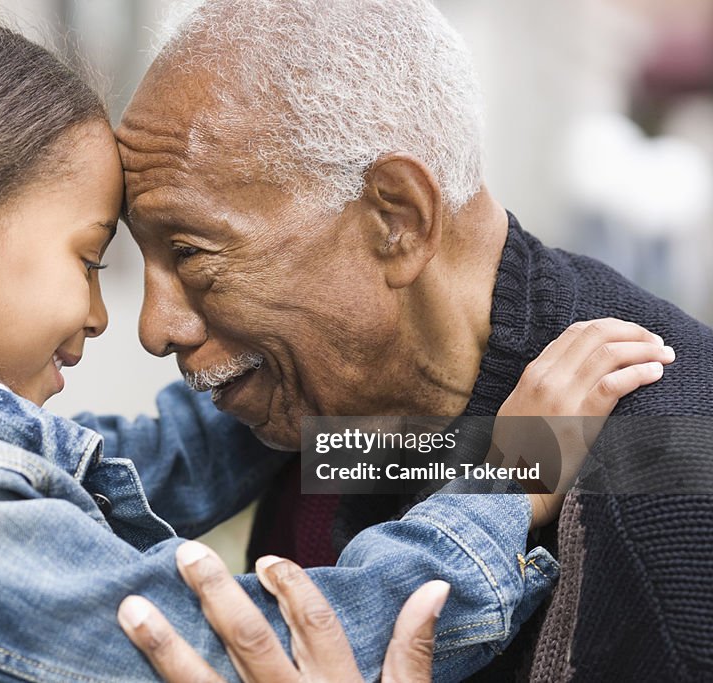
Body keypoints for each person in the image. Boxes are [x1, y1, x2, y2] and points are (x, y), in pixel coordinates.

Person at [0, 9, 670, 683]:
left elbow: (162, 460)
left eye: (190, 255)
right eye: (92, 259)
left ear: (395, 220)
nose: (133, 322)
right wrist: (506, 478)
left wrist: (307, 371)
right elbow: (245, 648)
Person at [115, 0, 713, 679]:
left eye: (191, 254)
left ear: (395, 218)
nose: (155, 328)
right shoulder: (330, 409)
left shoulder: (673, 490)